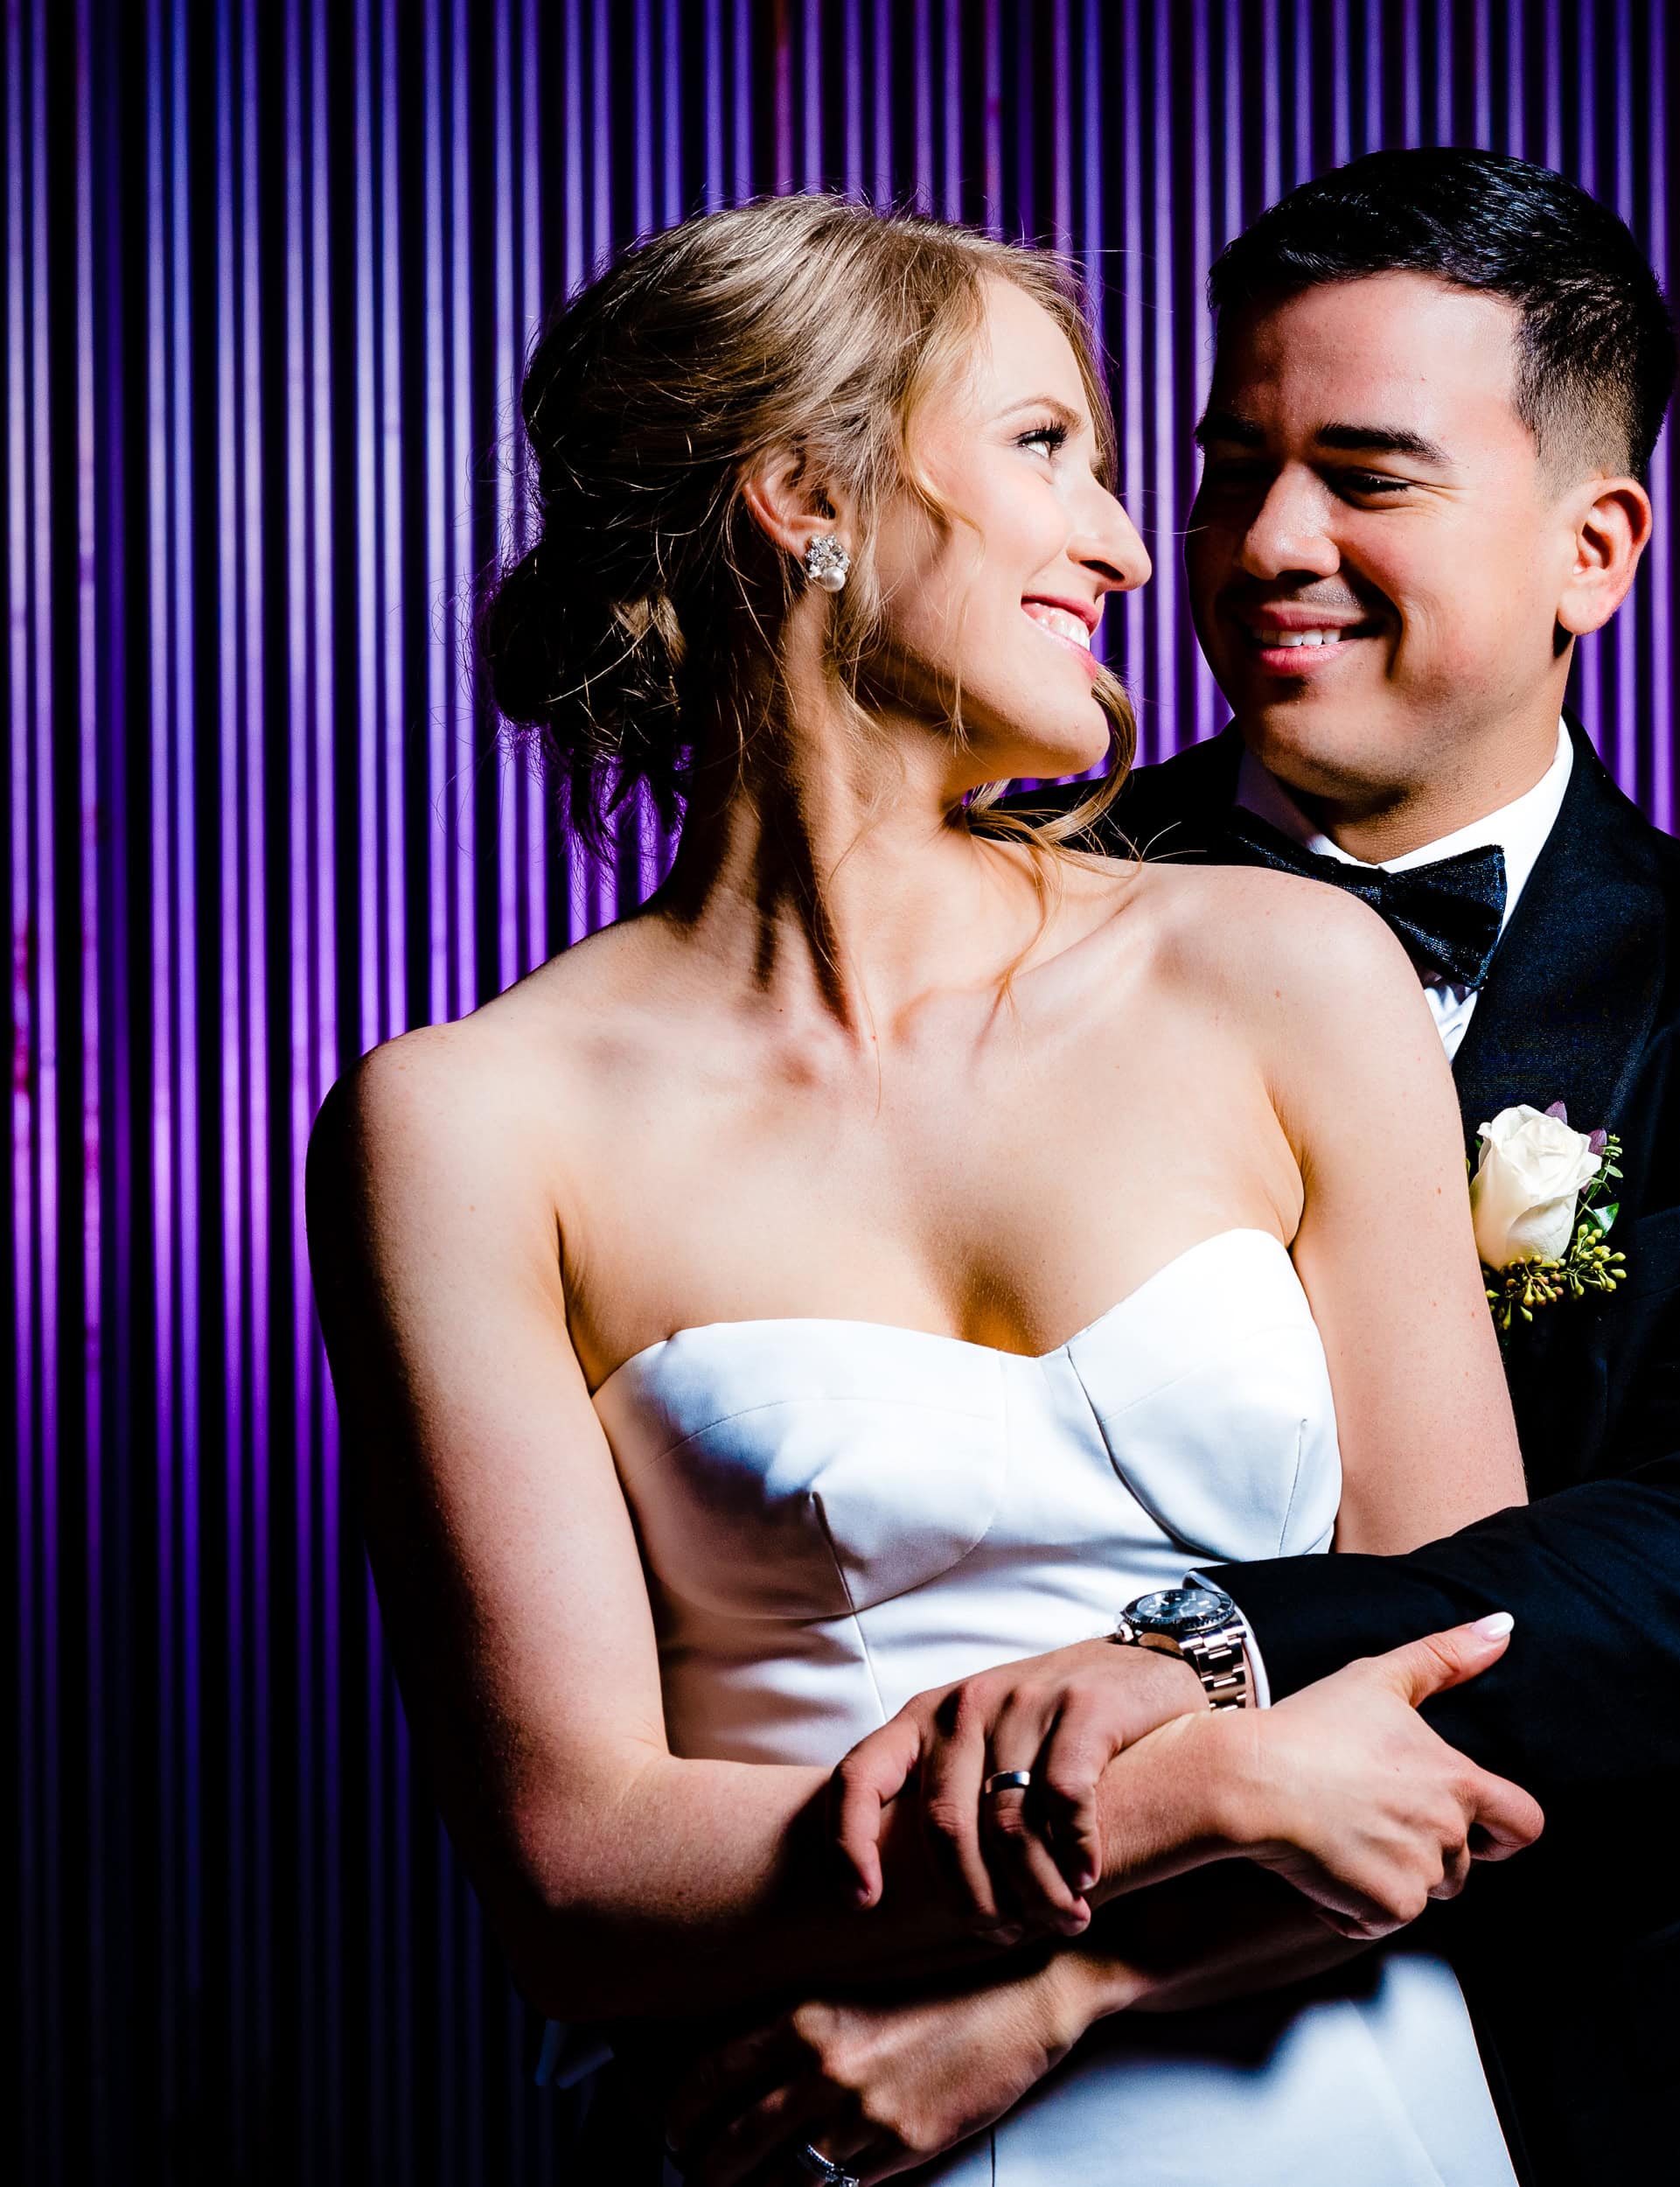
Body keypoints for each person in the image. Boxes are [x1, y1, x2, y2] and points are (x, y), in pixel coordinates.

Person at [305, 191, 1553, 2187]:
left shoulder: (1284, 974)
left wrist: (1062, 1989)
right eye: (1047, 445)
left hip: (1330, 2100)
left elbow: (1475, 1673)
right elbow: (577, 1871)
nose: (1129, 546)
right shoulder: (464, 1125)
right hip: (817, 2137)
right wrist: (1196, 1791)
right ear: (807, 491)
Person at [775, 150, 1680, 2187]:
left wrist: (1212, 1651)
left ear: (1593, 547)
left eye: (1364, 474)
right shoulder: (964, 913)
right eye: (1230, 468)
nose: (1261, 545)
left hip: (1578, 2046)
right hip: (938, 1982)